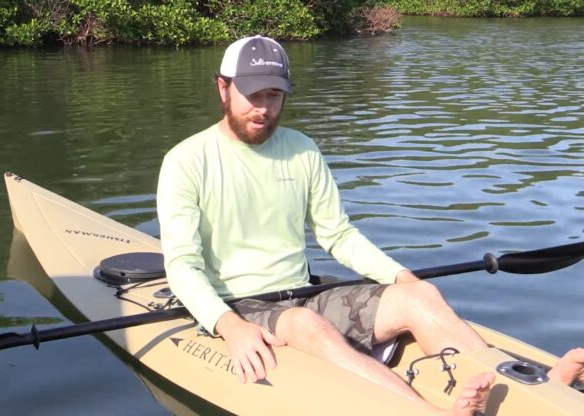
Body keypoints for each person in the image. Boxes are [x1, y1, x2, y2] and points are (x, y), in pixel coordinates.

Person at [156, 35, 583, 416]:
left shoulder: (302, 150)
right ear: (222, 87)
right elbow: (182, 266)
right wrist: (228, 326)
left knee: (421, 296)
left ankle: (530, 393)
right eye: (252, 95)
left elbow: (337, 235)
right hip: (238, 303)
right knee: (304, 326)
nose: (264, 109)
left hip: (303, 293)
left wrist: (401, 277)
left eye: (274, 95)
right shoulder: (187, 162)